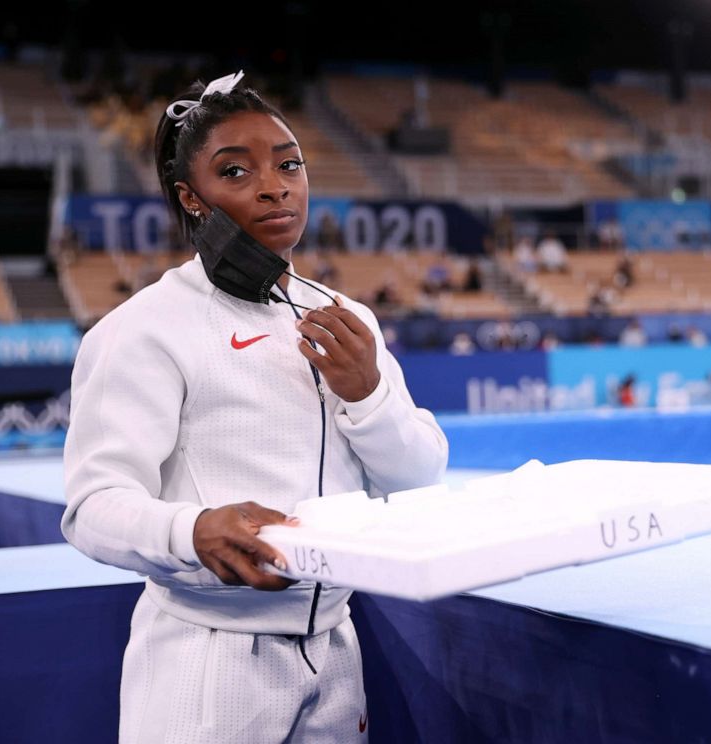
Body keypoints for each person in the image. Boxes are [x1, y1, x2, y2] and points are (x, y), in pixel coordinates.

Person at [61, 70, 448, 744]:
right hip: (205, 663)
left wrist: (370, 395)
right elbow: (91, 508)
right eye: (235, 172)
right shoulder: (146, 328)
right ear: (193, 197)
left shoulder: (346, 318)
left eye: (289, 164)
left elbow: (419, 478)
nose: (275, 185)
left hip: (334, 650)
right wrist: (193, 529)